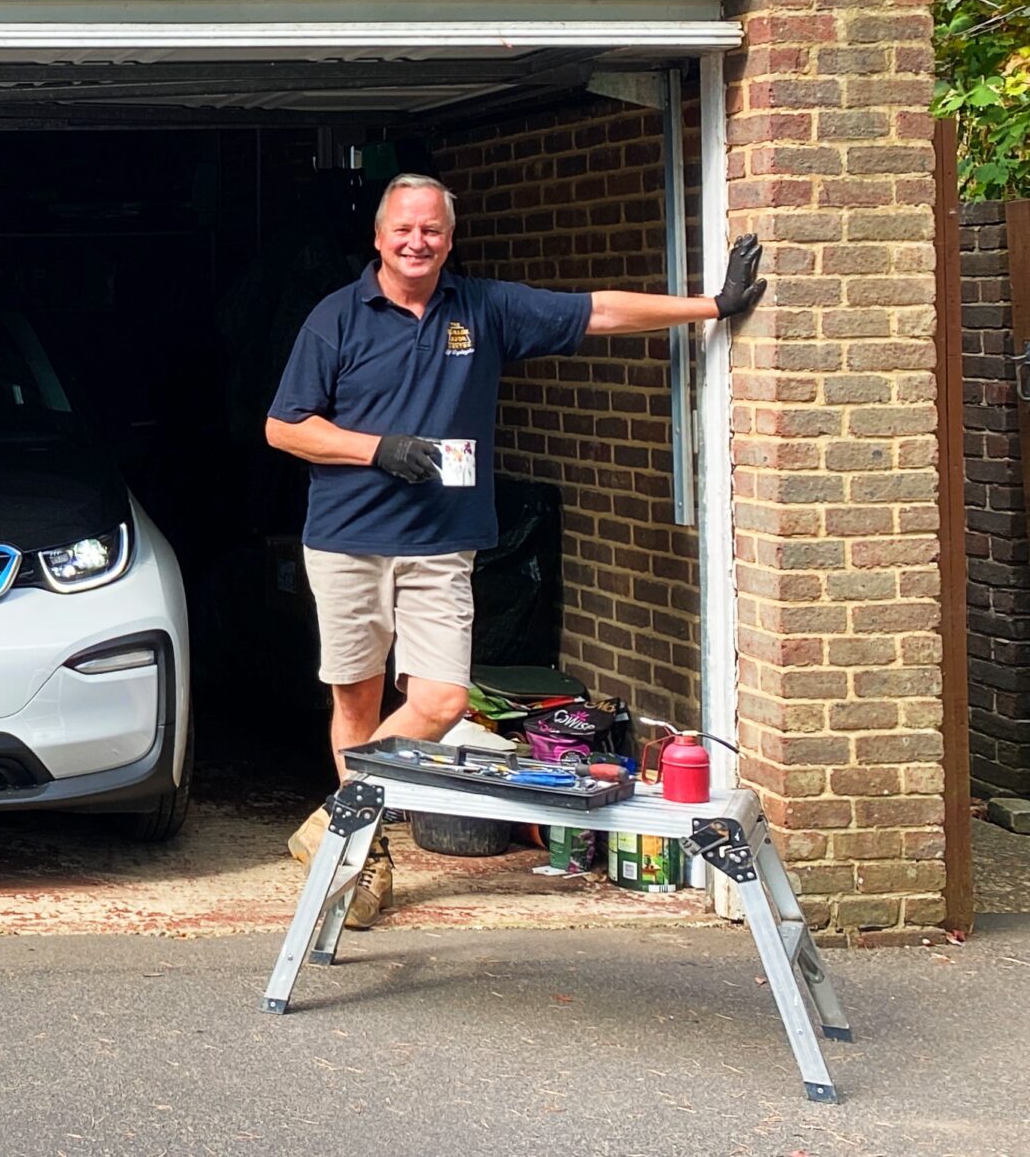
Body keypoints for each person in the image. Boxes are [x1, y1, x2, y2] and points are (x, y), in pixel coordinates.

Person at [263, 172, 766, 927]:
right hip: (348, 540)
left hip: (442, 543)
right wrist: (378, 449)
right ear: (377, 236)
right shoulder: (336, 319)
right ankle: (362, 858)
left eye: (432, 228)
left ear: (449, 238)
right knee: (356, 703)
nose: (417, 240)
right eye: (403, 228)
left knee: (440, 700)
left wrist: (712, 306)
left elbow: (596, 311)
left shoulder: (484, 308)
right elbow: (284, 426)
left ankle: (335, 819)